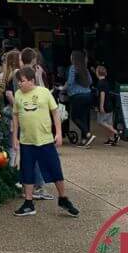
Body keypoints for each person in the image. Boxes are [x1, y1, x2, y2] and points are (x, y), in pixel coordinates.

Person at [12, 67, 80, 218]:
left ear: (31, 81)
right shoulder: (18, 95)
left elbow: (55, 112)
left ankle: (63, 199)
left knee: (55, 170)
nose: (19, 84)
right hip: (26, 142)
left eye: (22, 81)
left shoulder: (44, 92)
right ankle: (29, 203)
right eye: (18, 81)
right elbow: (15, 116)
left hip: (45, 141)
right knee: (27, 172)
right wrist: (15, 137)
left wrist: (59, 133)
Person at [17, 48, 54, 199]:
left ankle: (26, 184)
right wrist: (38, 77)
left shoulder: (18, 74)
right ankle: (37, 186)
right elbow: (42, 94)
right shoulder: (31, 75)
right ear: (33, 60)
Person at [66, 50, 95, 146]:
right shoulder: (85, 69)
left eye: (71, 57)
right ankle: (84, 140)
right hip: (88, 95)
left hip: (77, 96)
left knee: (74, 117)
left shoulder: (73, 68)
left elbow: (70, 82)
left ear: (74, 58)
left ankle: (87, 134)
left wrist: (66, 89)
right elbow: (90, 82)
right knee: (84, 117)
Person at [93, 64, 119, 145]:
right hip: (110, 104)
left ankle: (116, 132)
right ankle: (111, 139)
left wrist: (101, 106)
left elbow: (102, 95)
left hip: (105, 105)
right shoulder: (106, 82)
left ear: (97, 73)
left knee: (101, 121)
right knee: (109, 123)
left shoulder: (100, 83)